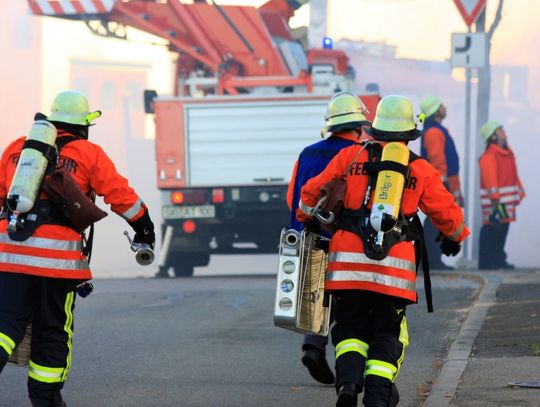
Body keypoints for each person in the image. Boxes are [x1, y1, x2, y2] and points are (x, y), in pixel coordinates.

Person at [296, 95, 469, 407]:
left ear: (375, 127)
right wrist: (455, 236)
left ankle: (348, 386)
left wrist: (305, 215)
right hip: (394, 271)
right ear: (408, 132)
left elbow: (311, 192)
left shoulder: (350, 157)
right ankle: (377, 398)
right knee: (388, 334)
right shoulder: (420, 168)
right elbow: (447, 213)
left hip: (347, 266)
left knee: (349, 329)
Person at [0, 90, 156, 407]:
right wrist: (144, 225)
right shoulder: (89, 152)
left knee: (5, 324)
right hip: (55, 263)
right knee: (52, 330)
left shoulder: (19, 148)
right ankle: (45, 399)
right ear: (83, 124)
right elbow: (120, 194)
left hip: (9, 256)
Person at [287, 91, 370, 385]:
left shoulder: (308, 153)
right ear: (359, 125)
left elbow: (293, 198)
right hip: (347, 238)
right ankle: (346, 364)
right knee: (348, 303)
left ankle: (313, 346)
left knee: (317, 295)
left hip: (308, 233)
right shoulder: (360, 155)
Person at [419, 96, 463, 270]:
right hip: (438, 186)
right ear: (436, 111)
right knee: (435, 223)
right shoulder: (434, 132)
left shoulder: (435, 131)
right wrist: (444, 189)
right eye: (441, 106)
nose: (445, 107)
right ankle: (432, 260)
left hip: (440, 185)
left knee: (436, 223)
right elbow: (438, 163)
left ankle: (432, 260)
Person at [478, 121, 525, 270]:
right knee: (493, 229)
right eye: (499, 130)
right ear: (493, 137)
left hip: (503, 202)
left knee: (501, 229)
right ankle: (488, 262)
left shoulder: (506, 153)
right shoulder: (489, 156)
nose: (503, 132)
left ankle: (497, 260)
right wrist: (495, 202)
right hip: (496, 203)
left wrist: (518, 192)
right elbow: (490, 181)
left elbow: (512, 175)